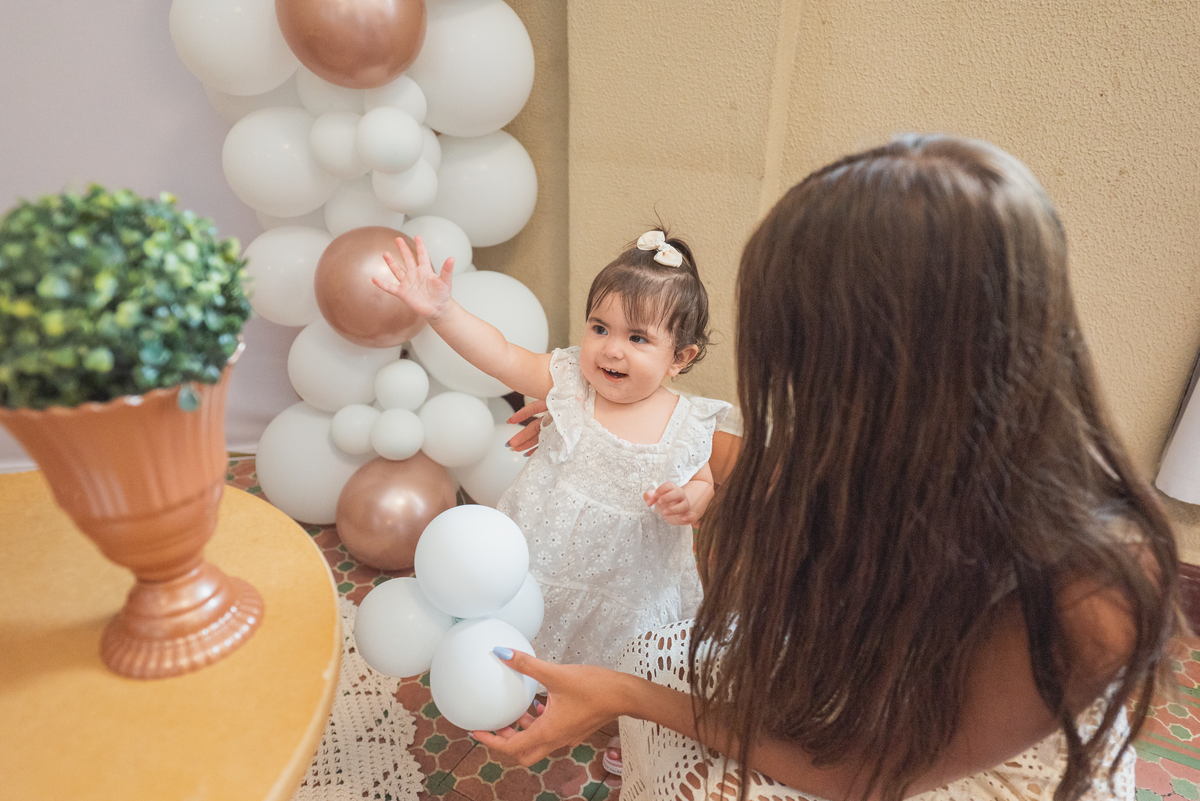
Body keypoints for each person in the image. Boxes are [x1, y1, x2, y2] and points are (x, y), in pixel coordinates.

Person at [472, 134, 1183, 801]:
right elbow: (746, 466)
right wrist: (596, 435)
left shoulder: (1095, 589)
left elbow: (866, 769)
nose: (791, 394)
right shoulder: (870, 464)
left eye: (800, 360)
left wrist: (626, 694)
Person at [373, 227, 731, 774]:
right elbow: (498, 354)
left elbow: (703, 479)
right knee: (533, 620)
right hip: (547, 544)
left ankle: (622, 726)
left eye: (638, 339)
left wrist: (691, 501)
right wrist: (442, 310)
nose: (611, 348)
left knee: (626, 654)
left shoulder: (688, 424)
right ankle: (528, 686)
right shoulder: (567, 384)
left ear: (680, 358)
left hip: (629, 575)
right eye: (599, 327)